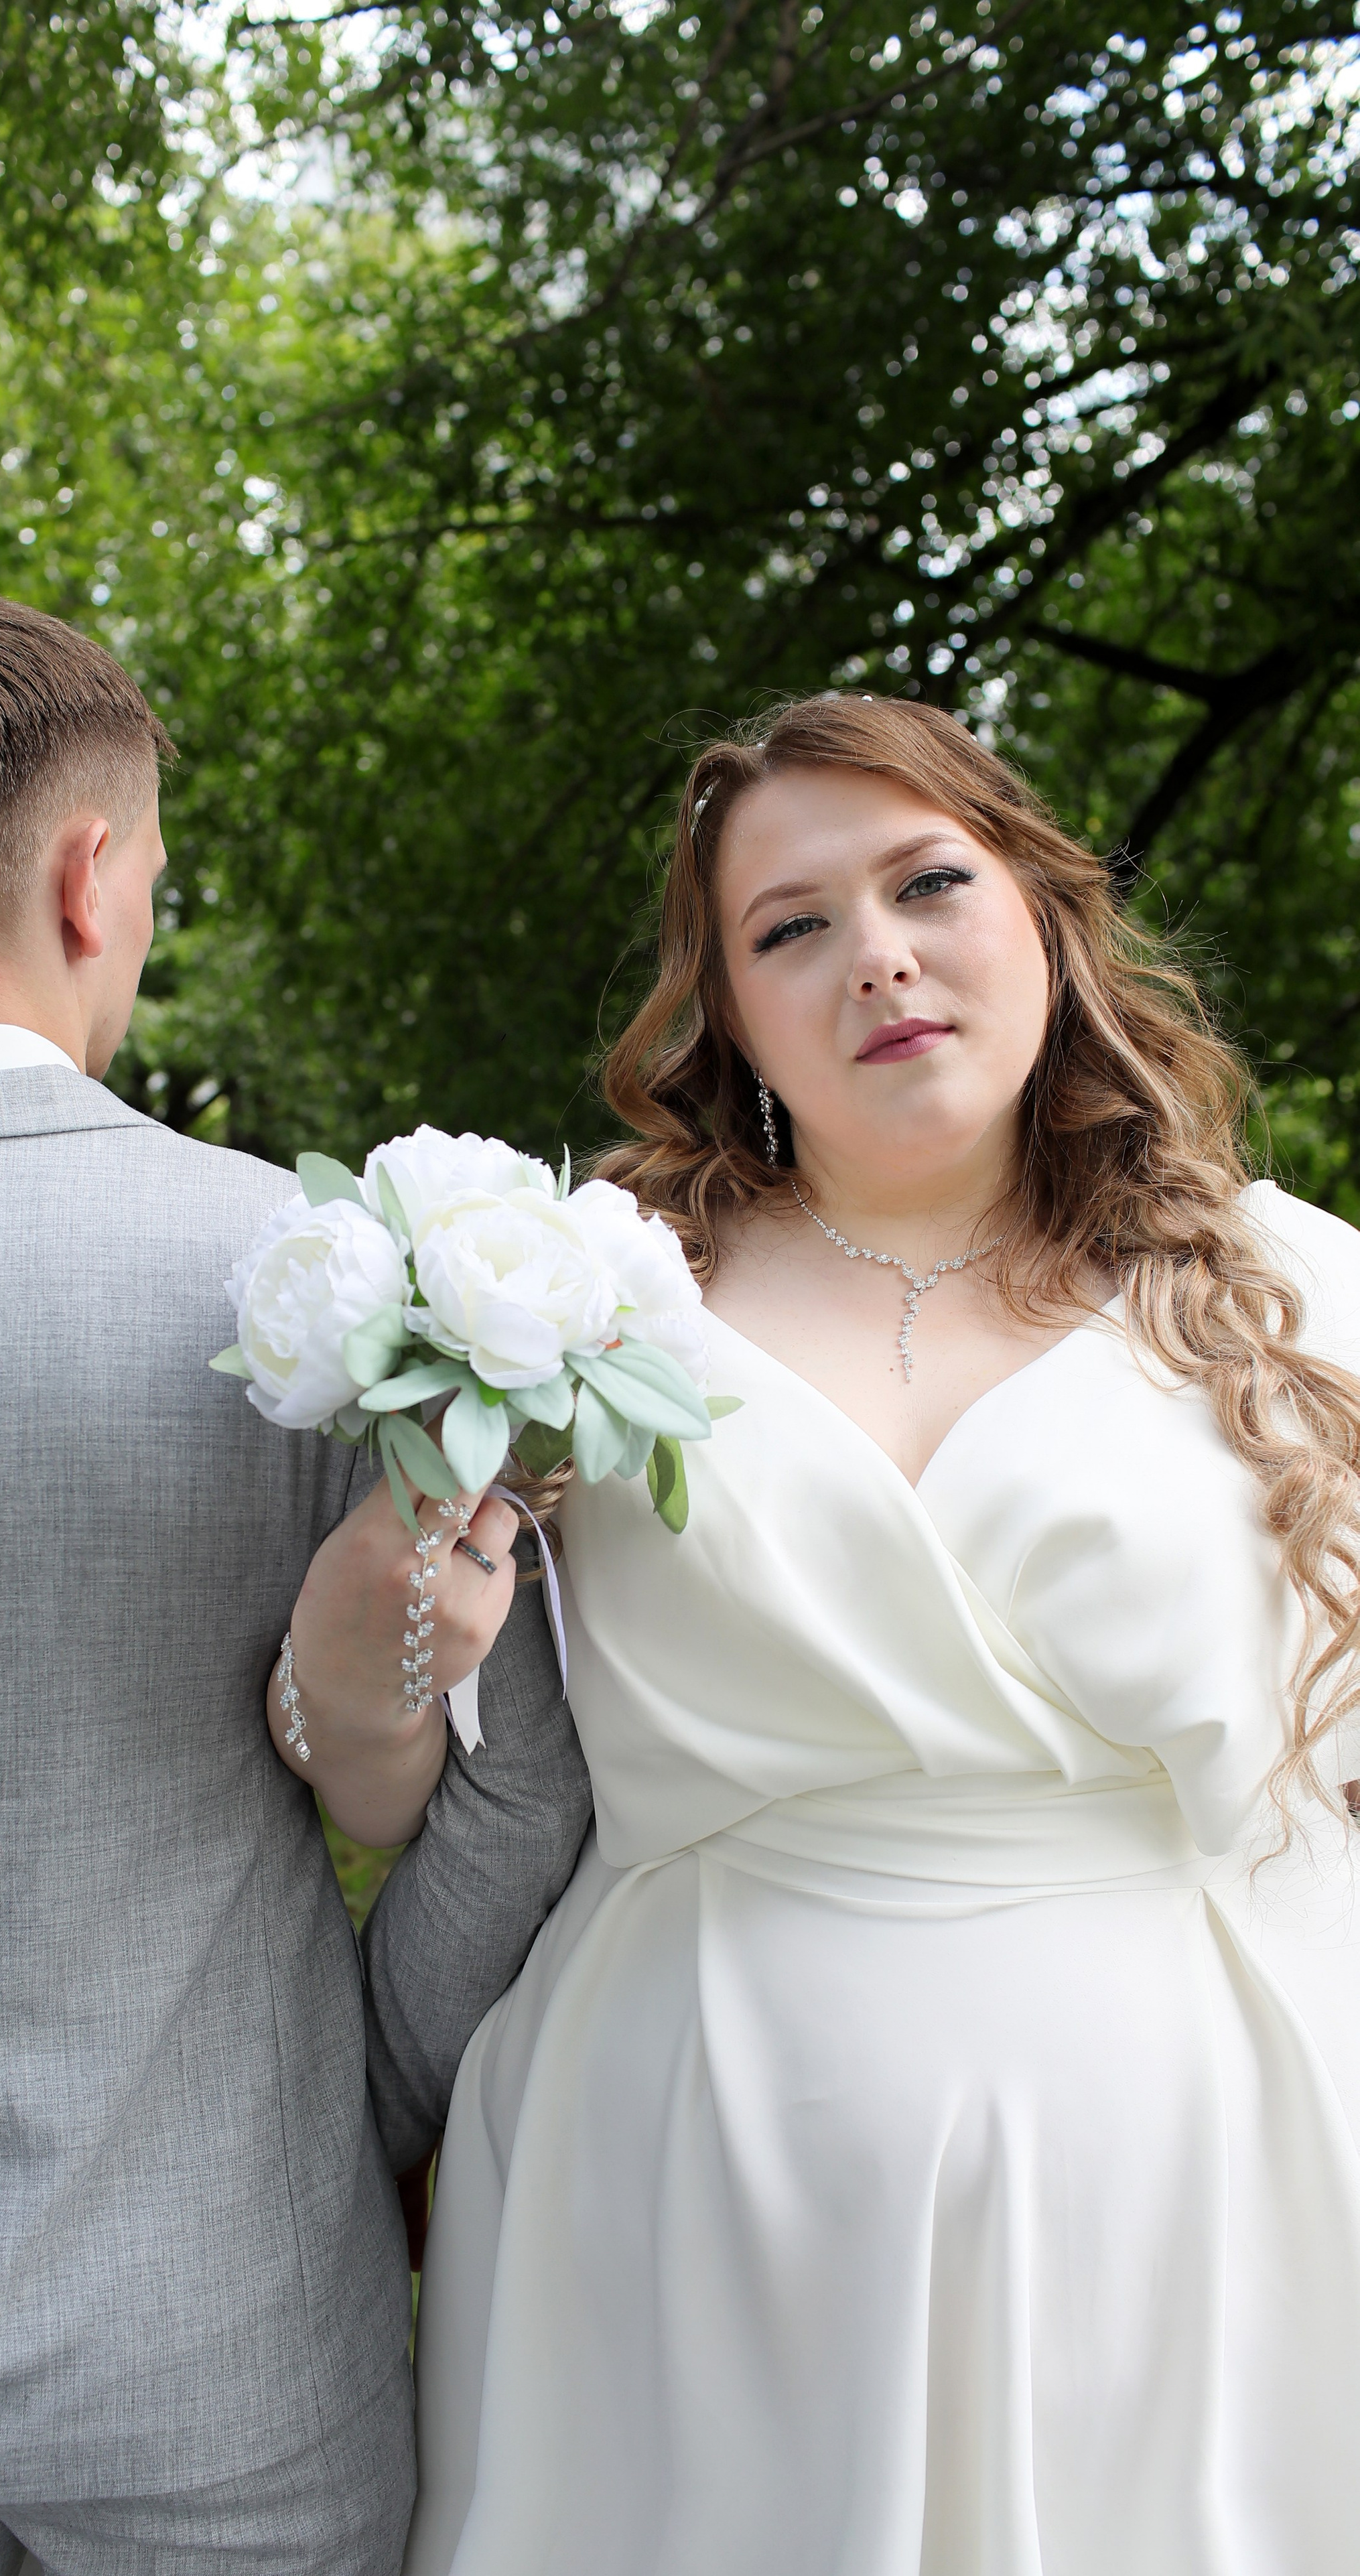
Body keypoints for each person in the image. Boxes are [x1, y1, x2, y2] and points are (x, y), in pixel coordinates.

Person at [337, 693, 1360, 2575]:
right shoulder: (592, 1304)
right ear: (726, 1011)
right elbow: (395, 1754)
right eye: (790, 927)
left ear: (1044, 915)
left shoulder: (1294, 1296)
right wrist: (387, 1631)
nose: (875, 954)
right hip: (686, 2176)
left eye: (927, 882)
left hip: (1157, 2196)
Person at [0, 580, 590, 2576]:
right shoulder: (310, 1285)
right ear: (93, 878)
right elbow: (516, 1784)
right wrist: (359, 2114)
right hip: (222, 2317)